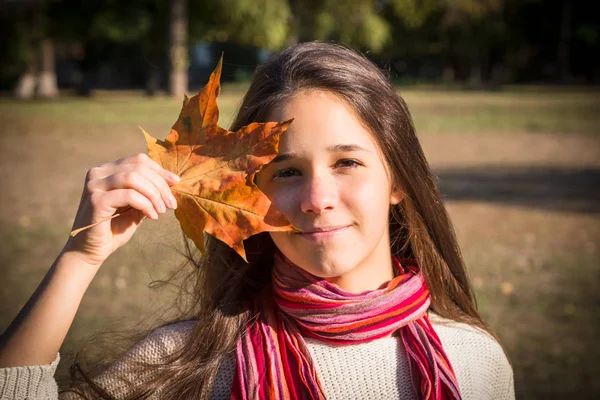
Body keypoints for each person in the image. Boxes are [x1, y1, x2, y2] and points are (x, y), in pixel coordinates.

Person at [0, 41, 514, 399]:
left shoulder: (474, 362)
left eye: (347, 162)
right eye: (286, 171)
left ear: (398, 180)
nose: (316, 198)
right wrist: (80, 256)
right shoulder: (191, 365)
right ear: (247, 191)